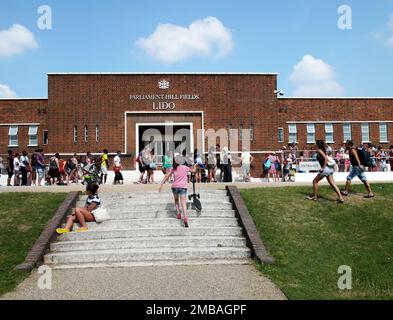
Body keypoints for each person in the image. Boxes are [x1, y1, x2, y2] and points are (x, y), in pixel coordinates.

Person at [159, 155, 197, 228]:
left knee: (176, 201)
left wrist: (161, 185)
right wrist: (195, 166)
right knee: (183, 203)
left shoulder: (173, 168)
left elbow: (166, 176)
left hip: (175, 187)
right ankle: (185, 217)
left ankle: (178, 213)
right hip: (183, 187)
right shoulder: (185, 167)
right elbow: (194, 171)